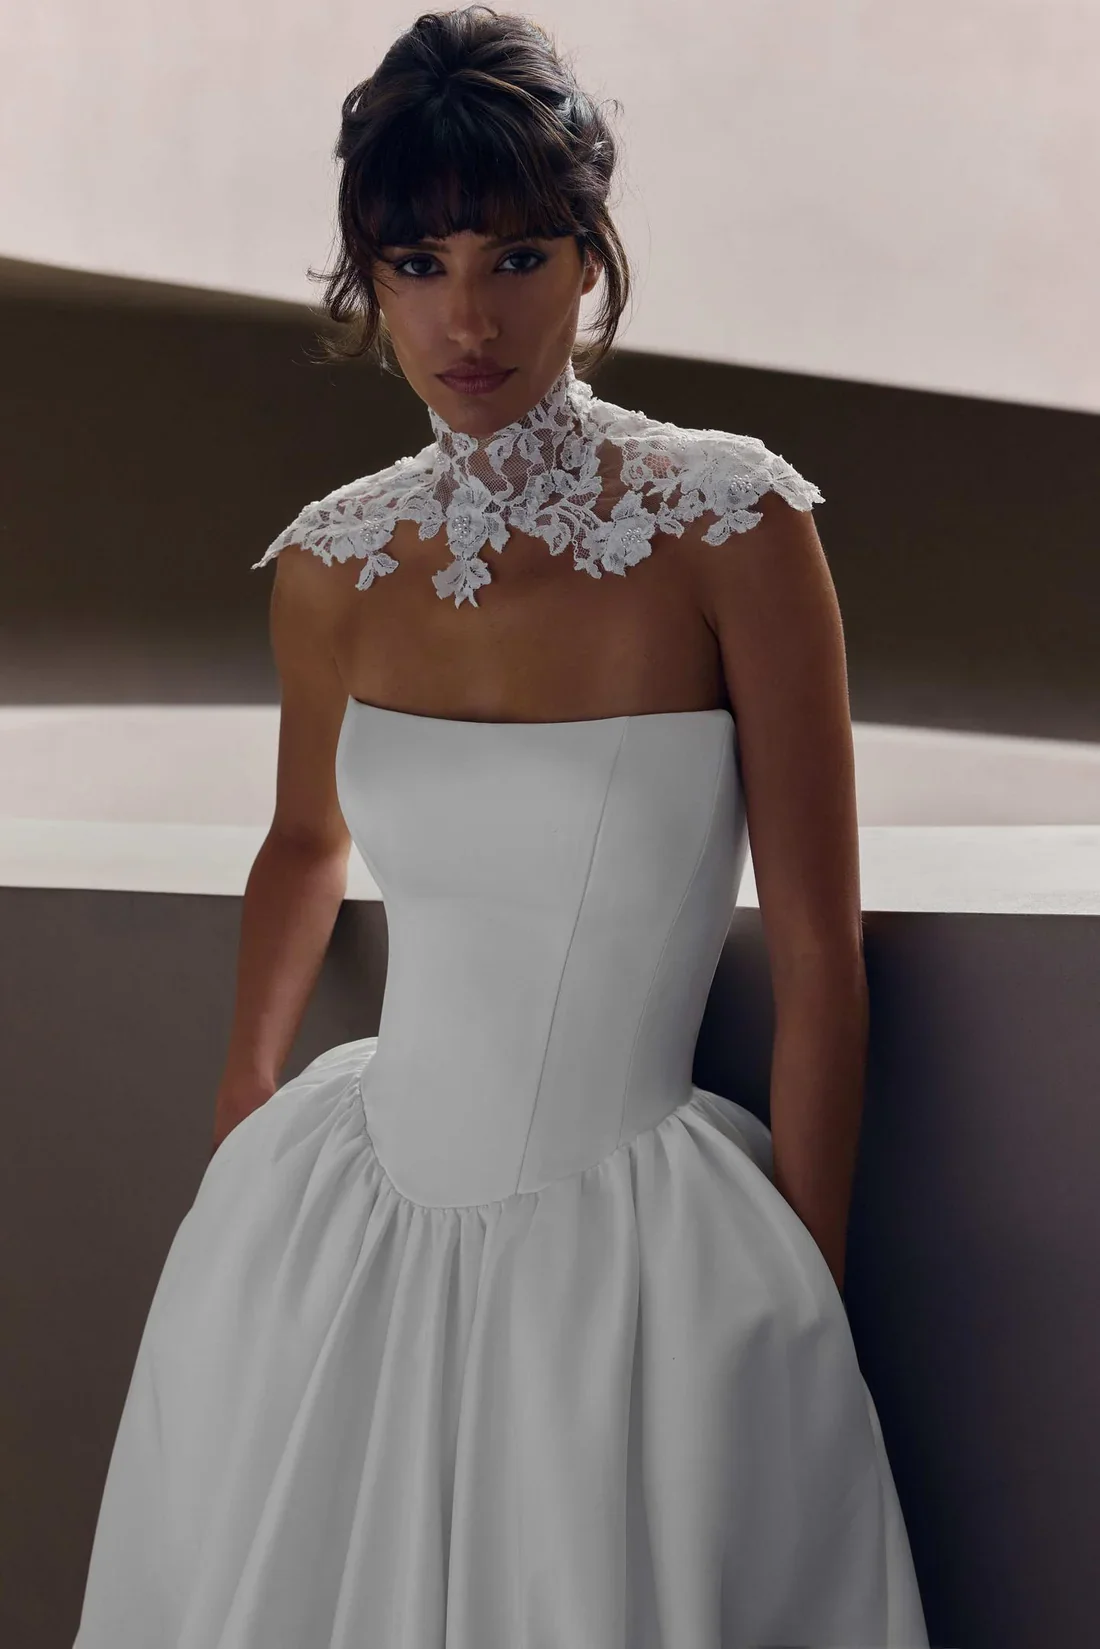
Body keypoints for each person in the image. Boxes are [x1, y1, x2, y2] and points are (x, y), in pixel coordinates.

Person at [74, 7, 929, 1646]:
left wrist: (807, 1277)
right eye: (418, 265)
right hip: (339, 1221)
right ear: (369, 282)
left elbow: (822, 949)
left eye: (517, 257)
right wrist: (244, 1106)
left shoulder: (733, 523)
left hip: (637, 1244)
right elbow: (304, 841)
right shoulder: (332, 561)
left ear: (590, 262)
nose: (468, 319)